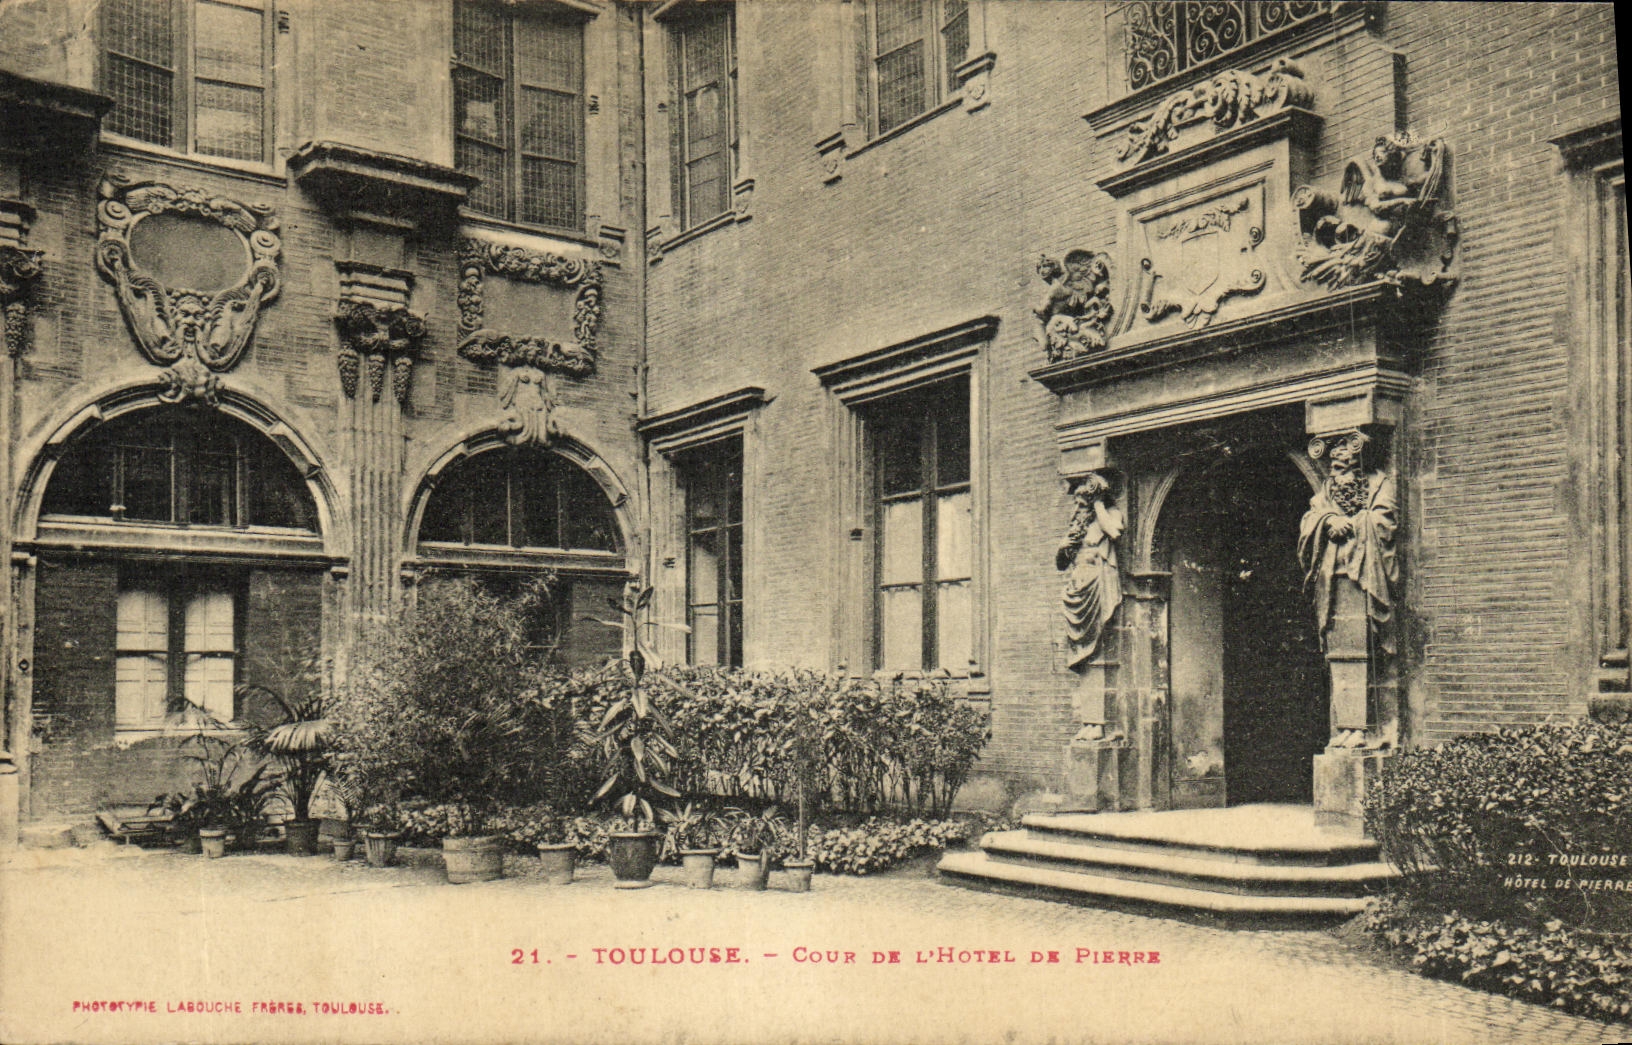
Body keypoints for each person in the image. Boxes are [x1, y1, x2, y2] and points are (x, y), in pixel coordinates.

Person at [1297, 431, 1398, 747]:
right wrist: (1328, 520)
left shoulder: (1380, 487)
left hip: (1364, 580)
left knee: (1363, 650)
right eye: (1334, 464)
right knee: (1338, 653)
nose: (1337, 468)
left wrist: (1352, 524)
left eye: (1344, 461)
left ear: (1359, 461)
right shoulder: (1327, 491)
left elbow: (1384, 522)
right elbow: (1312, 517)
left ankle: (1367, 729)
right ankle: (1346, 727)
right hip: (1334, 582)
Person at [1057, 472, 1125, 673]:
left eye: (1081, 504)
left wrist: (1097, 504)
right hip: (1079, 584)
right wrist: (1062, 547)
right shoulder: (1078, 527)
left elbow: (1113, 531)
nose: (1077, 509)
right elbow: (1061, 564)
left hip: (1098, 581)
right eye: (1076, 504)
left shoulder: (1111, 514)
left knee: (1099, 632)